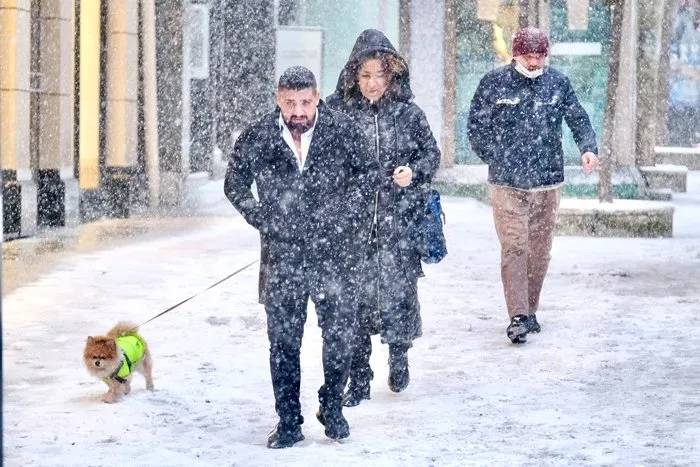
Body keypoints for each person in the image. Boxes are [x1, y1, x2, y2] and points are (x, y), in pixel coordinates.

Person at [224, 66, 378, 448]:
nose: (298, 111)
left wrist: (346, 218)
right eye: (290, 103)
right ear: (278, 98)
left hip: (335, 254)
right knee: (283, 341)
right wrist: (261, 217)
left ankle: (332, 405)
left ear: (316, 97)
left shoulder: (342, 130)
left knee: (339, 335)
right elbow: (235, 183)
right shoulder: (259, 135)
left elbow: (369, 177)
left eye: (305, 102)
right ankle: (288, 420)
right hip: (282, 256)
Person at [326, 29, 441, 407]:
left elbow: (431, 154)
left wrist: (415, 173)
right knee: (354, 303)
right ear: (353, 76)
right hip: (353, 226)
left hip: (398, 225)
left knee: (398, 296)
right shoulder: (336, 112)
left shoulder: (408, 114)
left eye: (379, 76)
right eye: (365, 76)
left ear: (391, 75)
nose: (372, 84)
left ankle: (399, 355)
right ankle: (358, 377)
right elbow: (321, 159)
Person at [468, 27, 599, 344]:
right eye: (528, 56)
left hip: (548, 182)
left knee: (539, 252)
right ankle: (517, 316)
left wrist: (588, 147)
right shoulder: (494, 84)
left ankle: (530, 310)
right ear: (515, 54)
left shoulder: (557, 83)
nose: (534, 62)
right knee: (515, 247)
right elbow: (475, 126)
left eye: (540, 56)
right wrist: (497, 157)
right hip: (506, 183)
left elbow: (577, 116)